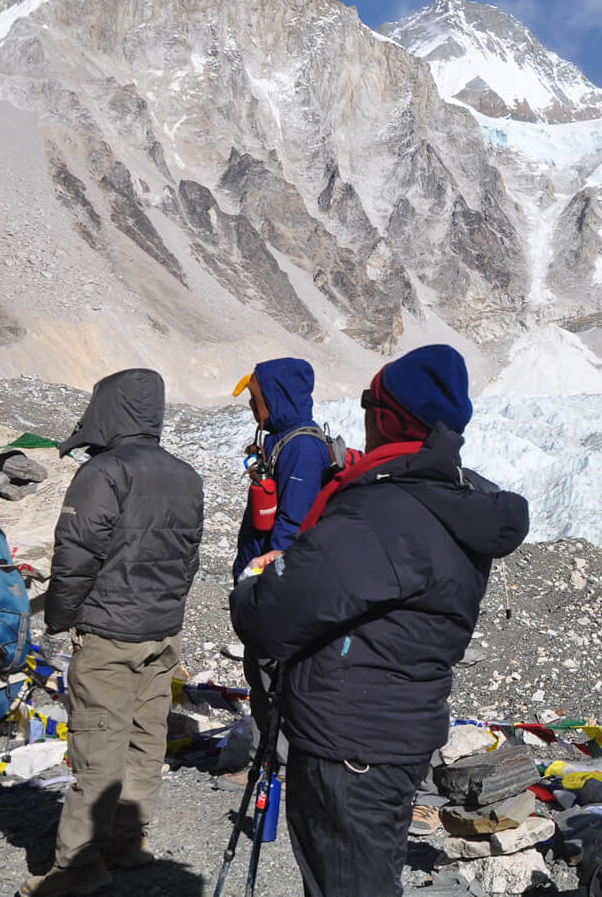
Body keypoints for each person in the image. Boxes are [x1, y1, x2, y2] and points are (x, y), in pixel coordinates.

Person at [230, 344, 529, 897]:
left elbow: (270, 617)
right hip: (398, 730)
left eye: (370, 401)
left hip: (349, 742)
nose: (363, 415)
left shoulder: (383, 512)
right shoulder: (457, 499)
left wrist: (254, 573)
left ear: (388, 416)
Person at [22, 369, 204, 897]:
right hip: (162, 632)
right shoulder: (185, 474)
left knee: (98, 744)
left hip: (109, 631)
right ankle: (130, 842)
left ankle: (79, 868)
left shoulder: (105, 471)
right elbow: (187, 559)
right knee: (146, 740)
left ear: (110, 409)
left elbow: (77, 555)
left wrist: (59, 617)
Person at [229, 358, 331, 777]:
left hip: (276, 585)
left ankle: (281, 766)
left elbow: (292, 524)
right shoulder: (284, 441)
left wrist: (266, 582)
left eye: (256, 399)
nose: (253, 408)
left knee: (276, 676)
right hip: (263, 580)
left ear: (275, 397)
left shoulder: (303, 448)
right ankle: (270, 758)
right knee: (262, 675)